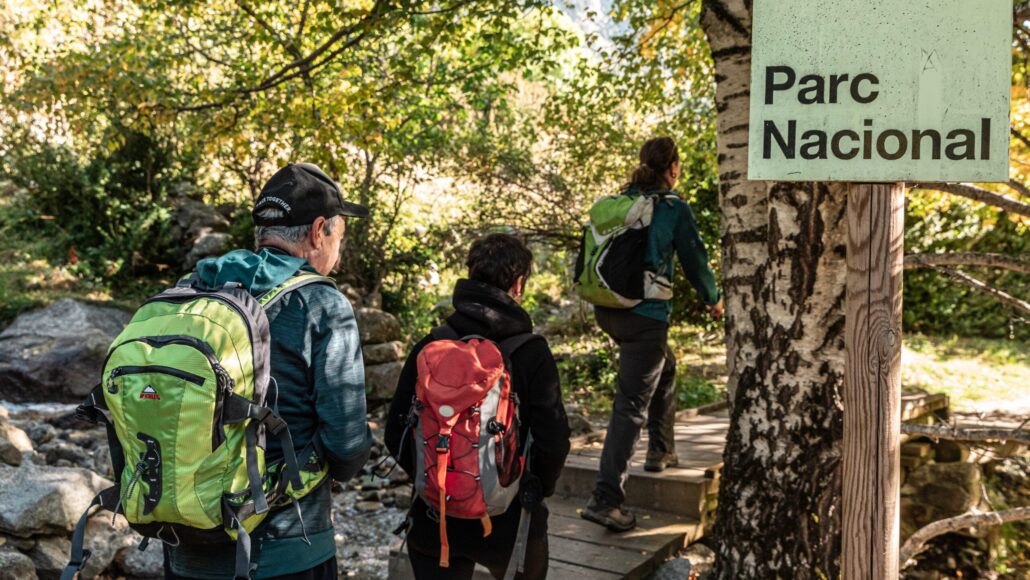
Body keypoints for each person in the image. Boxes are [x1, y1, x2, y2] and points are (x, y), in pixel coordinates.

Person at [164, 163, 374, 579]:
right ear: (318, 232)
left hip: (184, 545)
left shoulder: (193, 288)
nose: (339, 250)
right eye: (339, 236)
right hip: (285, 550)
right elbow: (347, 446)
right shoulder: (322, 304)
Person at [385, 233, 571, 579]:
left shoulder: (432, 345)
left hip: (434, 519)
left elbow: (395, 433)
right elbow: (554, 441)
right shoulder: (531, 353)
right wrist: (532, 488)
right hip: (507, 523)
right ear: (518, 284)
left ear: (470, 276)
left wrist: (433, 479)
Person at [581, 137, 723, 533]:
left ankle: (660, 451)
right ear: (673, 168)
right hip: (644, 317)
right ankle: (606, 499)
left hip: (608, 310)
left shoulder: (622, 202)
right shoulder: (672, 208)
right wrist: (713, 299)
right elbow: (695, 259)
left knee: (666, 366)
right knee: (630, 406)